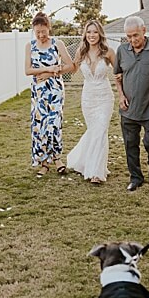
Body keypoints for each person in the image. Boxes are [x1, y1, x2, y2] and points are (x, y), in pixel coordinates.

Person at [114, 15, 149, 191]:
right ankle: (136, 177)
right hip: (128, 109)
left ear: (144, 30)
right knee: (131, 145)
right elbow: (117, 77)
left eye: (135, 35)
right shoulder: (122, 51)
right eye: (129, 36)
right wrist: (121, 95)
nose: (132, 40)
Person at [25, 12, 75, 177]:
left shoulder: (57, 44)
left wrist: (52, 74)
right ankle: (44, 163)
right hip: (38, 92)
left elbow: (70, 66)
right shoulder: (30, 46)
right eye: (37, 32)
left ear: (48, 28)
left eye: (43, 32)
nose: (41, 35)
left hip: (54, 90)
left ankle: (57, 159)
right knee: (40, 127)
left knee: (53, 124)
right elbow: (28, 70)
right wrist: (47, 69)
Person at [66, 20, 116, 184]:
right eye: (89, 32)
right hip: (88, 98)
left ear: (100, 34)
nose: (92, 35)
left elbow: (120, 72)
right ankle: (85, 161)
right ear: (85, 35)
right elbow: (72, 69)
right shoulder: (81, 52)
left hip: (104, 97)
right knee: (94, 131)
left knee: (100, 131)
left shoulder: (108, 52)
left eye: (95, 32)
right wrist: (53, 69)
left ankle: (96, 173)